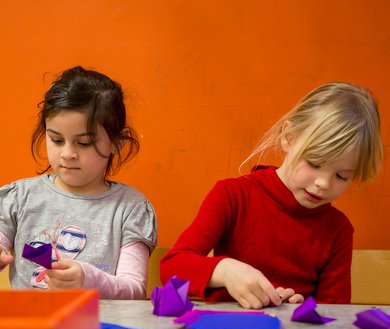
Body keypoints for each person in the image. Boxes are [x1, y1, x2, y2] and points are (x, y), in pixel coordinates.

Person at [160, 82, 383, 309]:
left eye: (342, 176)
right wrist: (224, 270)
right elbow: (171, 268)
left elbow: (335, 315)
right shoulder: (233, 196)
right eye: (315, 163)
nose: (323, 183)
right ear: (288, 138)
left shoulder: (337, 230)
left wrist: (303, 310)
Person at [0, 66, 157, 299]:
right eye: (56, 139)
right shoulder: (20, 197)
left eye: (83, 143)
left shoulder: (130, 209)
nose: (67, 153)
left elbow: (134, 289)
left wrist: (87, 279)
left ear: (117, 142)